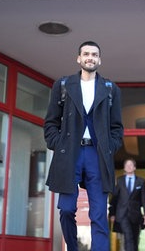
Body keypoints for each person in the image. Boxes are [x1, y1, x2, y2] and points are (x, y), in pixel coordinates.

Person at [43, 40, 124, 251]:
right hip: (70, 153)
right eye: (86, 54)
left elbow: (117, 127)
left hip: (98, 156)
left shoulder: (110, 89)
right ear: (78, 58)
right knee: (67, 209)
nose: (90, 57)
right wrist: (57, 144)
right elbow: (51, 121)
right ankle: (72, 247)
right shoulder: (63, 85)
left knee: (98, 214)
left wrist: (109, 147)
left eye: (94, 54)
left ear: (100, 60)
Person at [109, 158, 145, 251]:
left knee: (135, 238)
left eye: (131, 165)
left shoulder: (141, 181)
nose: (129, 167)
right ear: (124, 168)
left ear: (134, 167)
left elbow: (143, 198)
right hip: (122, 214)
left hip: (135, 214)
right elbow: (114, 198)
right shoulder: (119, 181)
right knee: (128, 236)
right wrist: (112, 213)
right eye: (127, 165)